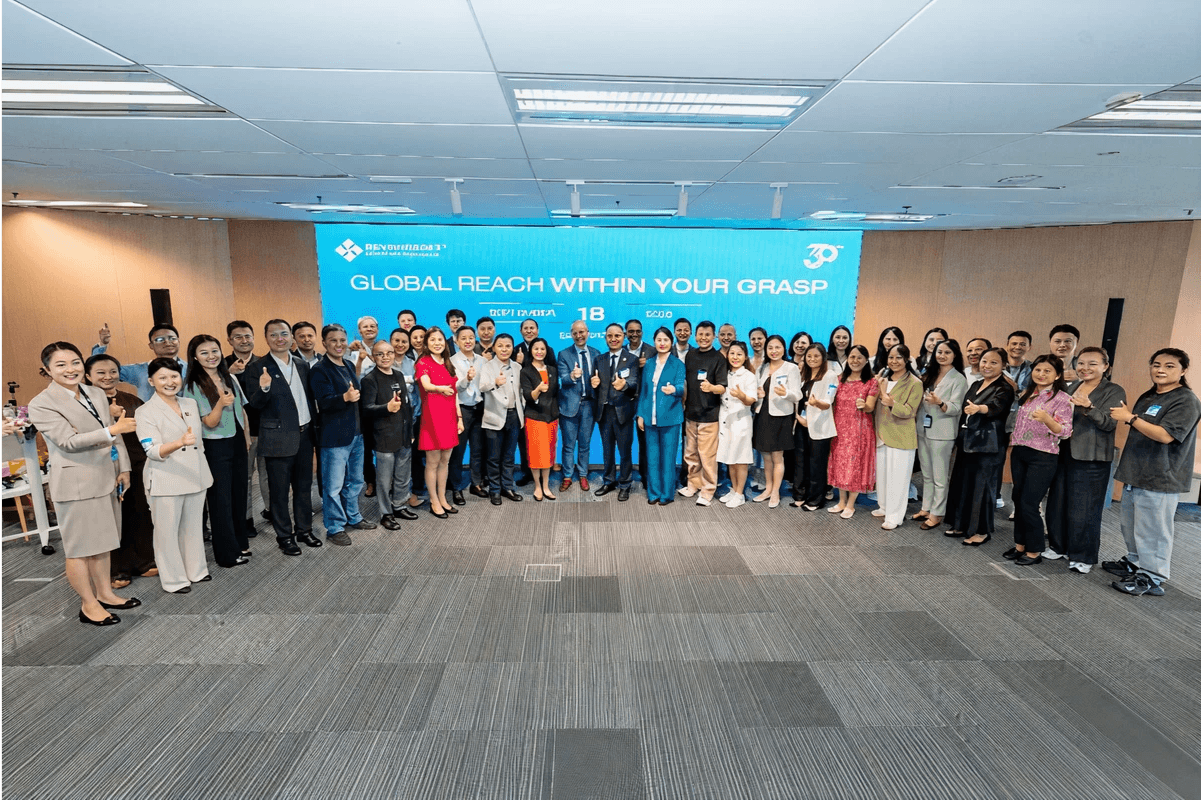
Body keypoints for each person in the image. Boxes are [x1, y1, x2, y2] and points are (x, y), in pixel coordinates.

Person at [28, 342, 137, 624]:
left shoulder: (95, 392)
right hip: (76, 484)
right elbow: (68, 441)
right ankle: (88, 605)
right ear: (47, 370)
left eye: (75, 362)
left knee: (103, 541)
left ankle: (105, 593)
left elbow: (114, 434)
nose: (70, 369)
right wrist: (111, 430)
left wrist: (123, 466)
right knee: (79, 549)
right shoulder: (42, 403)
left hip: (106, 476)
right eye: (61, 365)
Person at [1106, 348, 1199, 597]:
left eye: (1169, 366)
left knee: (1154, 531)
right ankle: (1135, 561)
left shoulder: (1186, 400)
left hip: (1160, 476)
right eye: (1156, 364)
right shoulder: (1150, 396)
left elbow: (1166, 436)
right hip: (1136, 471)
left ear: (1183, 370)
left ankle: (1152, 577)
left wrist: (1130, 418)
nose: (1160, 370)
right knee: (1131, 526)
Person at [1044, 347, 1125, 573]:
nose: (1085, 368)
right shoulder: (1072, 386)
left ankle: (1083, 556)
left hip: (1092, 457)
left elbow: (1109, 423)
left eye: (1092, 364)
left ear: (1105, 367)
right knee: (1058, 502)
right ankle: (1058, 546)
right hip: (1064, 451)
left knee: (1085, 508)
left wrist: (1089, 406)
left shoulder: (1114, 390)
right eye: (1081, 363)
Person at [136, 358, 213, 593]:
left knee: (192, 527)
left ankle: (196, 570)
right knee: (166, 533)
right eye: (162, 378)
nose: (170, 382)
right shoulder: (145, 412)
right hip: (165, 477)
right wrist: (179, 442)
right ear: (151, 381)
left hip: (195, 474)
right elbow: (152, 450)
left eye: (174, 376)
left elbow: (198, 442)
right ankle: (174, 580)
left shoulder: (190, 403)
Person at [246, 320, 322, 556]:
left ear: (291, 337)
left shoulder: (301, 364)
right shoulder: (257, 367)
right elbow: (254, 406)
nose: (280, 339)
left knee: (303, 487)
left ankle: (304, 530)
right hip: (277, 438)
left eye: (284, 334)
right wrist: (264, 388)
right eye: (274, 335)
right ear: (266, 338)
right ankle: (285, 536)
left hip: (304, 435)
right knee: (279, 493)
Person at [84, 354, 156, 588]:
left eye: (113, 372)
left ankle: (143, 561)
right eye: (101, 373)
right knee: (115, 518)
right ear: (88, 376)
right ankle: (118, 569)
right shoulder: (84, 403)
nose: (108, 377)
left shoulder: (131, 399)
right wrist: (108, 417)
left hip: (137, 463)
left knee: (141, 513)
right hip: (105, 466)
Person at [183, 335, 251, 569]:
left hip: (237, 441)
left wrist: (246, 438)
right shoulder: (192, 386)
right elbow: (209, 423)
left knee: (239, 494)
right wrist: (221, 404)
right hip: (215, 445)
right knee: (221, 499)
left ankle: (240, 543)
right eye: (204, 353)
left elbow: (242, 410)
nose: (211, 356)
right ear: (194, 357)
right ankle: (226, 554)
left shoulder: (229, 377)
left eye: (214, 351)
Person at [309, 324, 377, 546]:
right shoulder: (319, 370)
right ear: (324, 343)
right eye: (333, 340)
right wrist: (344, 398)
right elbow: (323, 403)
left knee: (356, 481)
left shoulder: (348, 364)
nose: (338, 344)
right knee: (333, 486)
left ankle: (353, 516)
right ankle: (335, 527)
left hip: (356, 434)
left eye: (341, 340)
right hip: (334, 437)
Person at [1004, 355, 1075, 564]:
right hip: (1020, 450)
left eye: (1047, 371)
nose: (1041, 374)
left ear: (1057, 375)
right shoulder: (1028, 393)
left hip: (1043, 455)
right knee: (1018, 498)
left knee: (1029, 502)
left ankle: (1034, 550)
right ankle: (1020, 544)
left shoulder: (1062, 398)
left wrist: (1047, 419)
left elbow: (1065, 432)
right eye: (1038, 370)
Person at [944, 348, 1016, 545]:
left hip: (989, 445)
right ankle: (961, 524)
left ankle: (981, 531)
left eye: (993, 362)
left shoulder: (1005, 387)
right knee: (963, 483)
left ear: (1003, 365)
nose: (987, 365)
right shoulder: (976, 383)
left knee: (983, 488)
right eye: (984, 361)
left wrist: (979, 409)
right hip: (968, 441)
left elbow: (996, 408)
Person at [361, 340, 418, 529]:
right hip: (383, 437)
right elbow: (366, 409)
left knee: (403, 475)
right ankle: (386, 513)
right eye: (380, 354)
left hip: (403, 434)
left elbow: (406, 405)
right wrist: (386, 408)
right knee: (384, 480)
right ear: (373, 357)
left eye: (389, 353)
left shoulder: (398, 375)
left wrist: (410, 432)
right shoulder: (369, 380)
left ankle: (399, 505)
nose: (385, 357)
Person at [912, 340, 968, 530]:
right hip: (923, 429)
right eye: (939, 352)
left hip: (943, 432)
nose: (942, 355)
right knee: (926, 474)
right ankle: (926, 508)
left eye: (947, 352)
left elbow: (957, 408)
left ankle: (937, 513)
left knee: (940, 476)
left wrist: (940, 402)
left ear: (955, 355)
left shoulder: (959, 379)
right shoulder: (929, 374)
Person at [223, 320, 269, 532]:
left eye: (247, 336)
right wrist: (228, 374)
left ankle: (272, 512)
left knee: (268, 475)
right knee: (245, 477)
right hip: (239, 432)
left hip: (266, 428)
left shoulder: (264, 363)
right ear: (229, 340)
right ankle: (246, 518)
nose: (244, 341)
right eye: (238, 337)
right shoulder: (220, 365)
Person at [871, 344, 923, 529]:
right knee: (883, 476)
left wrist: (893, 404)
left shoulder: (915, 383)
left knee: (898, 480)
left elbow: (910, 411)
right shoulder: (883, 379)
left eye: (898, 357)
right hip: (881, 433)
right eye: (891, 357)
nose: (894, 361)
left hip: (901, 436)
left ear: (907, 360)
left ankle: (895, 517)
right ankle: (884, 507)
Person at [679, 321, 728, 506]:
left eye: (707, 335)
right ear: (695, 335)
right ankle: (693, 484)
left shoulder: (719, 358)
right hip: (691, 414)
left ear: (714, 336)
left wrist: (711, 387)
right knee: (691, 455)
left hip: (709, 416)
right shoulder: (691, 355)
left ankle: (708, 490)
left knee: (707, 457)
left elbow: (722, 387)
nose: (704, 338)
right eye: (700, 334)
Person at [416, 326, 462, 518]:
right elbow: (426, 385)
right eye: (433, 340)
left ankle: (443, 498)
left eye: (440, 339)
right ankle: (433, 500)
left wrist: (459, 418)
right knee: (432, 462)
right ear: (427, 343)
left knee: (445, 461)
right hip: (432, 418)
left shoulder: (448, 363)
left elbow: (455, 394)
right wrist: (440, 388)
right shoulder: (423, 362)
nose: (437, 343)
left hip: (450, 417)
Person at [592, 323, 642, 501]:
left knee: (624, 451)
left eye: (617, 336)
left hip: (623, 412)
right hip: (604, 412)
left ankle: (625, 484)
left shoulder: (632, 359)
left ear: (623, 337)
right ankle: (609, 481)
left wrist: (625, 385)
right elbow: (594, 383)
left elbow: (635, 384)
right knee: (607, 451)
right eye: (610, 336)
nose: (613, 339)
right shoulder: (599, 359)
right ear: (605, 338)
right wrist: (593, 384)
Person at [828, 345, 878, 519]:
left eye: (859, 357)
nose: (855, 361)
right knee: (840, 465)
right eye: (852, 357)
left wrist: (864, 405)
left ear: (866, 360)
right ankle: (841, 502)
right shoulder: (839, 379)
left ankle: (851, 504)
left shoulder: (871, 381)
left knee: (855, 466)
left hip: (859, 430)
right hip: (840, 429)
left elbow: (870, 407)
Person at [636, 327, 686, 505]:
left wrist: (674, 390)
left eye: (665, 340)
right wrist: (640, 414)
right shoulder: (649, 364)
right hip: (649, 417)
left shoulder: (678, 364)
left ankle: (667, 494)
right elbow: (644, 391)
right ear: (654, 342)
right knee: (652, 457)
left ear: (671, 342)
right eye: (659, 340)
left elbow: (681, 387)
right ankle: (654, 493)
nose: (662, 343)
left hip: (670, 418)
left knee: (668, 458)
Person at [752, 334, 802, 508]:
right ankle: (768, 488)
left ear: (784, 348)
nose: (774, 351)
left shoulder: (791, 368)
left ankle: (775, 492)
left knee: (777, 457)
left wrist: (786, 393)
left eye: (777, 347)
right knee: (766, 456)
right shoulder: (763, 367)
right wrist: (757, 393)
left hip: (781, 416)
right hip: (763, 414)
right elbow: (757, 389)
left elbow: (798, 395)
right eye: (770, 348)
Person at [793, 343, 839, 511]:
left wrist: (816, 403)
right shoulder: (803, 374)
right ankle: (801, 495)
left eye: (816, 356)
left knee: (816, 464)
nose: (812, 359)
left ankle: (815, 500)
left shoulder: (830, 375)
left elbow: (828, 401)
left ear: (823, 357)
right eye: (809, 356)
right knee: (801, 462)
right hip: (801, 423)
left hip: (819, 426)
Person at [480, 334, 524, 504]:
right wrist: (496, 382)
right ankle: (495, 490)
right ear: (494, 348)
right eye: (500, 346)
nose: (504, 349)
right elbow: (482, 386)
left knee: (509, 456)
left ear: (512, 348)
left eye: (508, 346)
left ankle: (508, 487)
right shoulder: (487, 366)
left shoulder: (517, 367)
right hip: (494, 416)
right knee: (493, 457)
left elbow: (520, 392)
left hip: (514, 416)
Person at [92, 322, 187, 401]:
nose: (167, 342)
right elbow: (99, 368)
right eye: (160, 339)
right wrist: (102, 345)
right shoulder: (139, 370)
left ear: (178, 341)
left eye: (172, 338)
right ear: (151, 345)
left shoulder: (191, 368)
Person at [557, 320, 600, 492]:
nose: (579, 335)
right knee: (568, 445)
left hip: (589, 406)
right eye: (575, 333)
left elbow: (600, 378)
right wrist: (572, 376)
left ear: (588, 333)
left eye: (581, 332)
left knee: (584, 444)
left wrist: (598, 382)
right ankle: (567, 476)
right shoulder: (564, 354)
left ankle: (583, 474)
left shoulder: (596, 353)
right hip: (569, 406)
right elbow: (563, 379)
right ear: (571, 335)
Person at [716, 341, 757, 508]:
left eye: (739, 354)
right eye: (732, 353)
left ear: (745, 356)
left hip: (741, 423)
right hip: (725, 421)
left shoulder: (749, 376)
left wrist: (741, 395)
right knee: (730, 458)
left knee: (740, 460)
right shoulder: (724, 373)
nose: (735, 357)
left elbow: (750, 400)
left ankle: (740, 494)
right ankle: (733, 490)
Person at [520, 337, 559, 501]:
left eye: (542, 349)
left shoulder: (552, 369)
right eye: (536, 348)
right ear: (531, 351)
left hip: (552, 417)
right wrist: (538, 390)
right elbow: (528, 396)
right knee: (536, 455)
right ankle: (537, 486)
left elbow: (556, 393)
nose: (539, 352)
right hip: (535, 417)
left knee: (548, 453)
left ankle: (546, 486)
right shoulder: (526, 371)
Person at [450, 325, 486, 502]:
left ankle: (476, 484)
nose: (468, 341)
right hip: (461, 409)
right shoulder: (451, 362)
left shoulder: (482, 361)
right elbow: (453, 388)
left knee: (477, 449)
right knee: (458, 451)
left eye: (471, 337)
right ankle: (456, 487)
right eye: (463, 338)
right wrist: (467, 379)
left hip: (479, 408)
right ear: (456, 341)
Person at [626, 319, 655, 486]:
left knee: (645, 442)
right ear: (626, 333)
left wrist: (647, 365)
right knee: (624, 442)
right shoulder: (621, 350)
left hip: (645, 402)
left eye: (637, 331)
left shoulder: (652, 351)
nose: (634, 334)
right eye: (631, 331)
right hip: (624, 402)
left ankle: (646, 476)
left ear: (642, 332)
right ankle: (625, 477)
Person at [512, 318, 540, 486]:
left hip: (541, 403)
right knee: (523, 441)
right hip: (521, 403)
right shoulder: (515, 350)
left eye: (532, 328)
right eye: (526, 328)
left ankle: (542, 470)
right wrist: (518, 363)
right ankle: (527, 472)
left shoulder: (545, 348)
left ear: (537, 330)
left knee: (539, 441)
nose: (529, 331)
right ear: (521, 331)